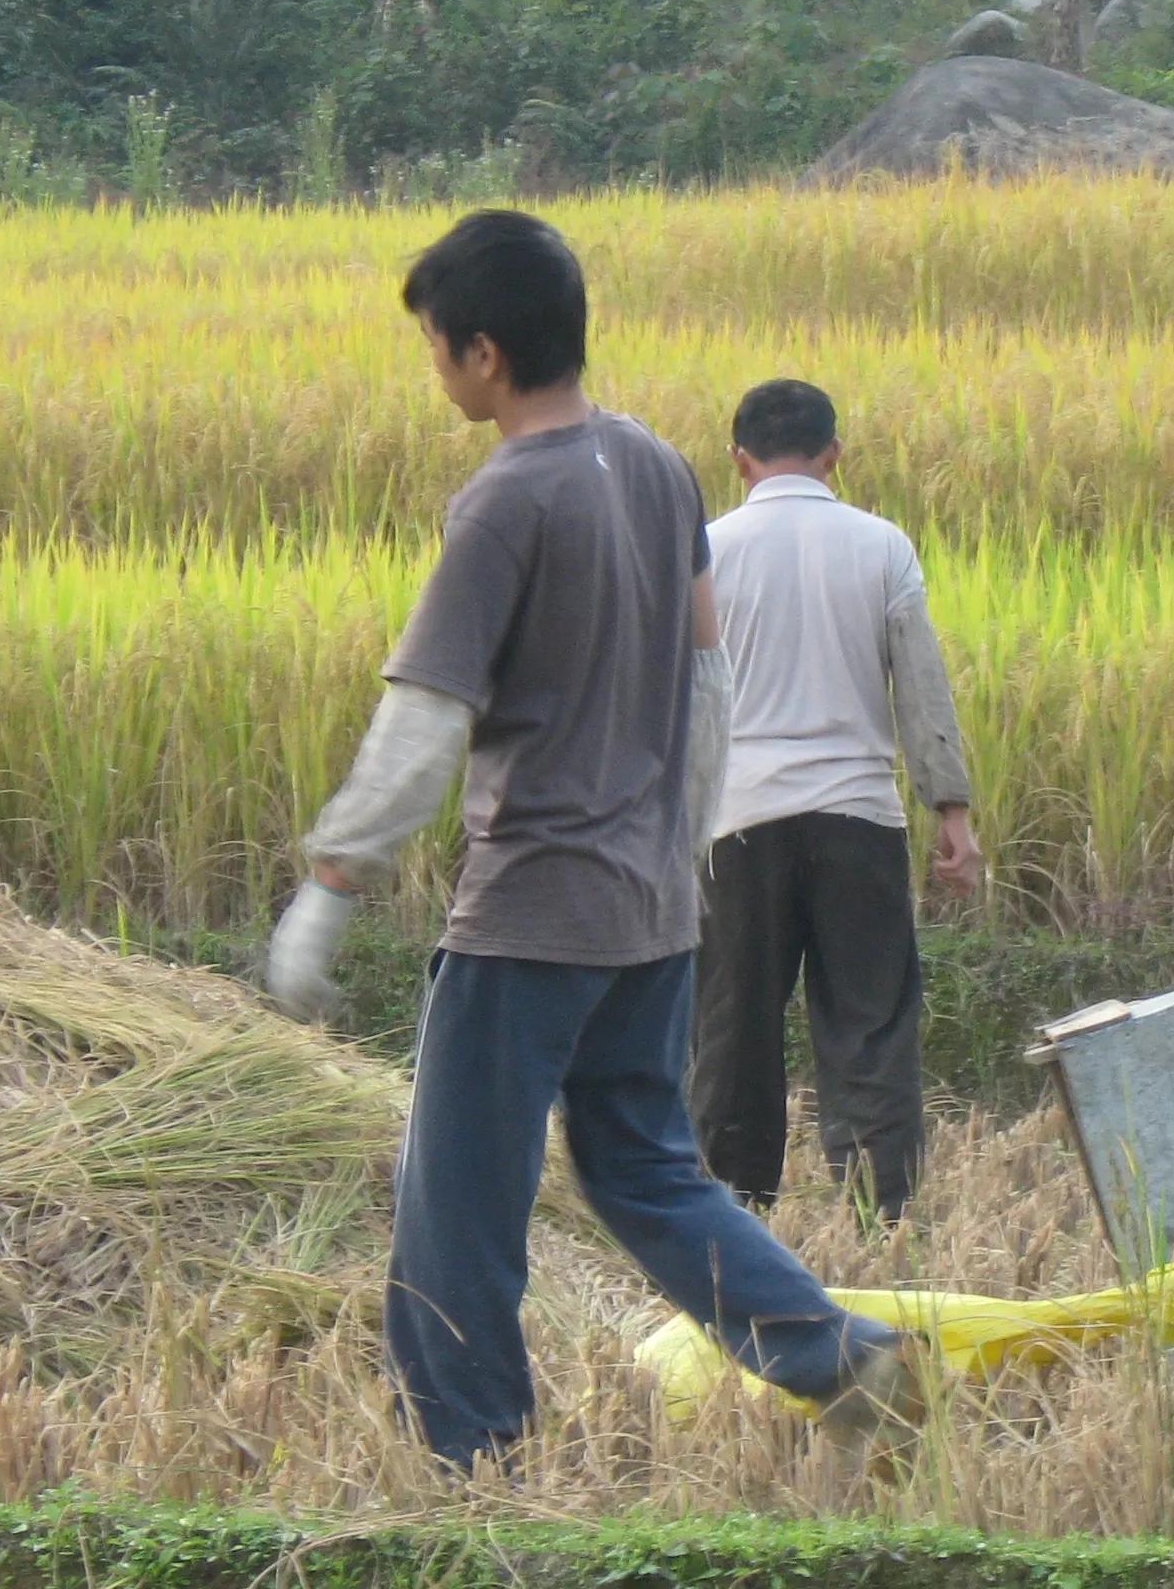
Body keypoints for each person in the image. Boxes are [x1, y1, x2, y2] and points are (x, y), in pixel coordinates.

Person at [261, 212, 909, 1472]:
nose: (436, 368)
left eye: (436, 347)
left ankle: (472, 1456)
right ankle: (832, 1353)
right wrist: (680, 845)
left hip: (531, 914)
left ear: (484, 354)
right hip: (650, 910)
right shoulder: (660, 467)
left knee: (456, 1205)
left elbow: (430, 714)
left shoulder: (504, 501)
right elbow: (707, 678)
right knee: (647, 1170)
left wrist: (332, 881)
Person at [689, 377, 981, 1223]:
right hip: (858, 818)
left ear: (738, 459)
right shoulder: (882, 546)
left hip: (739, 824)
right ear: (834, 455)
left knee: (734, 1035)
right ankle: (882, 1220)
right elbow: (922, 690)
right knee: (871, 1029)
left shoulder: (706, 548)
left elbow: (682, 700)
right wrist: (951, 812)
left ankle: (732, 1226)